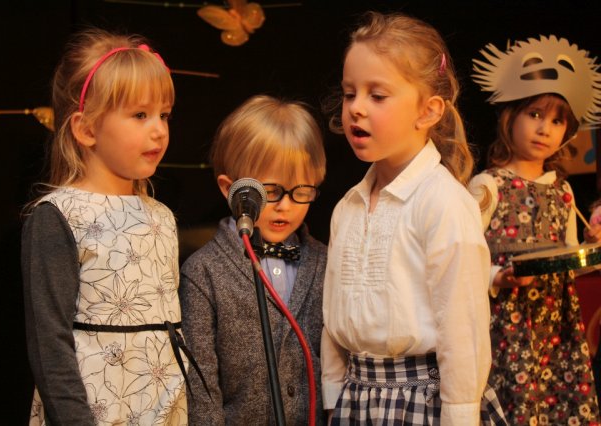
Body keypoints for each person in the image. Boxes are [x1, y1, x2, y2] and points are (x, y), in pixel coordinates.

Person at [320, 11, 507, 425]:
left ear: (428, 111)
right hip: (357, 399)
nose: (356, 108)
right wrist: (333, 393)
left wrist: (459, 415)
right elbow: (332, 315)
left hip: (422, 403)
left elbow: (463, 328)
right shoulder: (347, 207)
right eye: (350, 94)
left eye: (377, 95)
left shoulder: (442, 202)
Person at [21, 28, 191, 425]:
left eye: (164, 115)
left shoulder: (162, 217)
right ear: (87, 129)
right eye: (140, 115)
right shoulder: (60, 216)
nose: (158, 129)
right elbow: (50, 344)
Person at [469, 34, 601, 424]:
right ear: (510, 116)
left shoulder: (563, 190)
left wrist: (590, 249)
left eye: (557, 120)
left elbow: (571, 259)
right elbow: (461, 261)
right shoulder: (488, 186)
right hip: (505, 328)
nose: (545, 128)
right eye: (535, 114)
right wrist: (498, 277)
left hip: (557, 327)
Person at [179, 94, 328, 425]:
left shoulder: (326, 263)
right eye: (270, 191)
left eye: (301, 191)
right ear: (230, 189)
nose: (285, 206)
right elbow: (201, 389)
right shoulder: (203, 273)